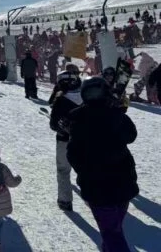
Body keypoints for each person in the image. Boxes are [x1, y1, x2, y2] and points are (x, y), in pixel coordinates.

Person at [67, 77, 139, 252]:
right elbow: (131, 135)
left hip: (97, 186)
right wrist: (118, 111)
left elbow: (73, 154)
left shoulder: (78, 117)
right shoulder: (113, 112)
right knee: (113, 230)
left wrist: (84, 171)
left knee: (111, 233)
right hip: (122, 182)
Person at [49, 71, 82, 212]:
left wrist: (62, 126)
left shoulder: (61, 100)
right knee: (86, 169)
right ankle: (93, 196)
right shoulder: (87, 97)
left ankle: (65, 200)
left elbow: (53, 124)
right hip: (85, 140)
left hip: (64, 140)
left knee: (63, 170)